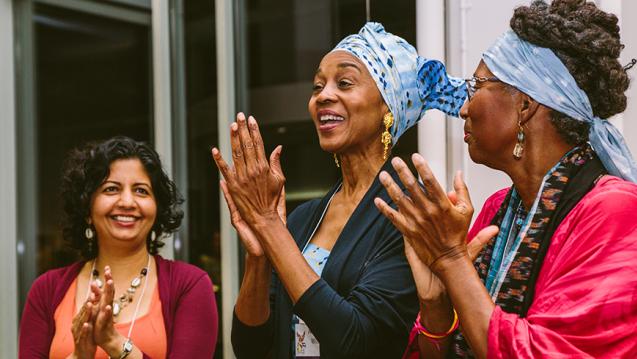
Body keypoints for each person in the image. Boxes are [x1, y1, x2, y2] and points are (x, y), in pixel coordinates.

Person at [373, 1, 637, 358]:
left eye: (477, 85)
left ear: (525, 105)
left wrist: (451, 259)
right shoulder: (497, 209)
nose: (464, 107)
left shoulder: (616, 210)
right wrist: (435, 303)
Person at [211, 23, 467, 358]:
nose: (323, 95)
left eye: (344, 83)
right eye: (318, 85)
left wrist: (270, 227)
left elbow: (356, 340)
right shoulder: (303, 218)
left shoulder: (411, 215)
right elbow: (250, 347)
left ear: (387, 108)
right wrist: (259, 256)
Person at [19, 136, 218, 358]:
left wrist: (114, 342)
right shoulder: (46, 291)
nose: (127, 202)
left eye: (141, 190)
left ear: (157, 209)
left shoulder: (189, 286)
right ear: (87, 208)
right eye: (111, 189)